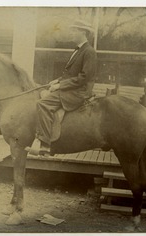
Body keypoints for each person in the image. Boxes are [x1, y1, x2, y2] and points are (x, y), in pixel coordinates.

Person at [31, 19, 97, 156]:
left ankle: (44, 144)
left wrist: (60, 86)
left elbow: (84, 78)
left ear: (83, 32)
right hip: (72, 88)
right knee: (41, 91)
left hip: (79, 91)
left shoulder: (89, 51)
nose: (71, 33)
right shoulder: (78, 50)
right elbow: (71, 74)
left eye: (74, 30)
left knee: (42, 104)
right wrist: (56, 81)